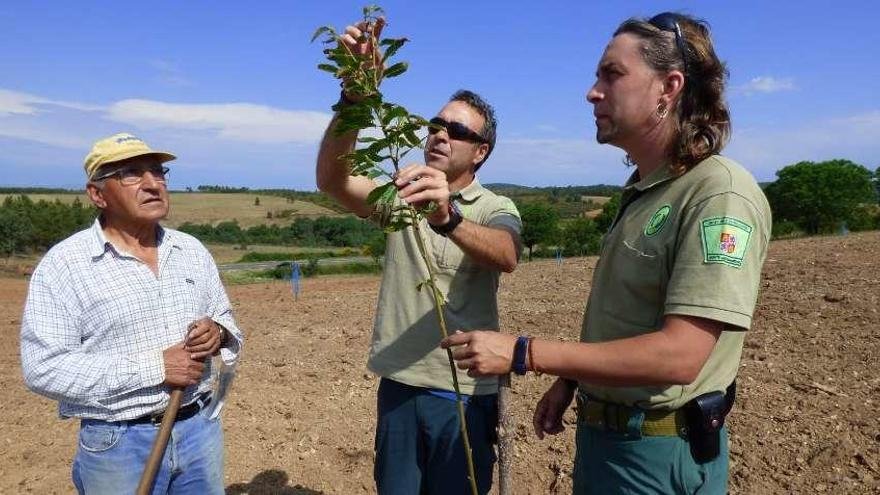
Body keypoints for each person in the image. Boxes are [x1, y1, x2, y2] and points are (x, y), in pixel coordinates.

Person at [442, 12, 771, 494]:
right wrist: (573, 381)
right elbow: (628, 313)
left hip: (657, 456)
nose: (592, 91)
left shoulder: (718, 193)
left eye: (611, 74)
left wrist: (523, 353)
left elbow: (680, 356)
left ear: (669, 87)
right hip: (609, 443)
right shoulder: (644, 190)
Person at [315, 18, 522, 495]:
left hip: (464, 393)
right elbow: (333, 179)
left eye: (456, 130)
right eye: (435, 124)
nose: (439, 134)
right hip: (400, 385)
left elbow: (507, 255)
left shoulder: (495, 207)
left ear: (481, 152)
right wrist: (356, 98)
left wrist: (447, 217)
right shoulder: (400, 196)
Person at [20, 133, 243, 494]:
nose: (153, 184)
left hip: (199, 429)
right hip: (118, 443)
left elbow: (226, 319)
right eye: (132, 174)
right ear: (97, 194)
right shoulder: (66, 265)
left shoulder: (191, 250)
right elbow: (43, 368)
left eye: (158, 172)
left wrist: (218, 333)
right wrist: (157, 367)